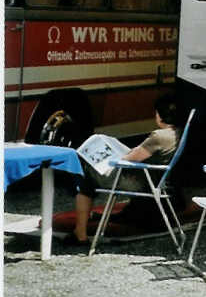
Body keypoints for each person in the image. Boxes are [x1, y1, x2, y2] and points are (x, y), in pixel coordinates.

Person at [65, 94, 182, 245]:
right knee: (88, 178)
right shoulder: (177, 132)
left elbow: (129, 159)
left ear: (160, 115)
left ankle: (80, 234)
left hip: (140, 181)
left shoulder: (159, 136)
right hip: (155, 180)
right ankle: (81, 228)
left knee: (85, 177)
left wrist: (112, 156)